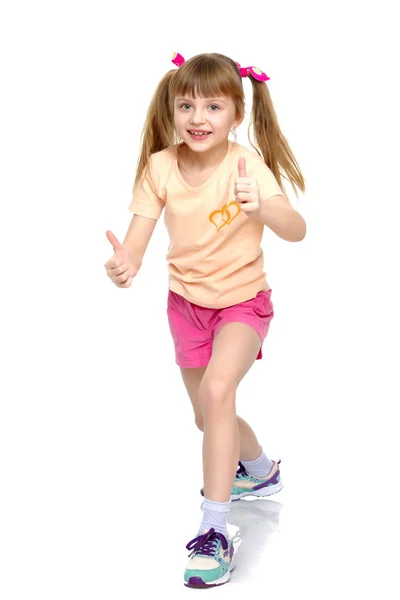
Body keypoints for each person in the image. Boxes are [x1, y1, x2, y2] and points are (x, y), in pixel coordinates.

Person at [104, 51, 306, 588]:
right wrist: (125, 263)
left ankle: (213, 533)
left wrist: (262, 208)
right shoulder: (161, 166)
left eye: (213, 106)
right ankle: (259, 472)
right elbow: (138, 240)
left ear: (235, 114)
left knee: (219, 393)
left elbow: (296, 227)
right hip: (186, 308)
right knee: (207, 416)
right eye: (187, 104)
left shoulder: (246, 165)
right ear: (171, 109)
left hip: (243, 303)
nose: (198, 117)